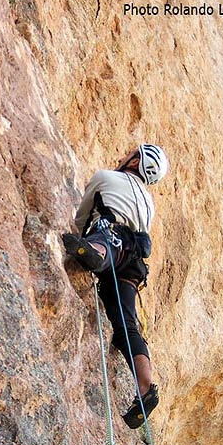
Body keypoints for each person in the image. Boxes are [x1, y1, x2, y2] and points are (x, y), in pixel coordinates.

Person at [62, 144, 168, 428]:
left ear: (135, 162)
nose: (123, 156)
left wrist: (81, 237)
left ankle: (95, 254)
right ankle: (146, 388)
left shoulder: (106, 177)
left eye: (130, 154)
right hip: (134, 264)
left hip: (114, 244)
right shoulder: (149, 202)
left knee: (102, 239)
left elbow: (82, 216)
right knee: (127, 325)